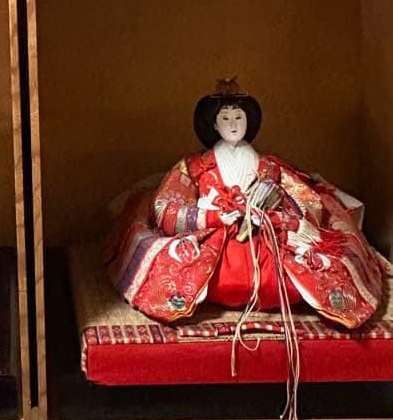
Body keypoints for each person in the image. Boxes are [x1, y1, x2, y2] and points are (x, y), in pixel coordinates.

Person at [107, 79, 384, 330]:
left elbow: (309, 202)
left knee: (322, 265)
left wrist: (275, 217)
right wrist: (214, 216)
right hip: (216, 236)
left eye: (239, 117)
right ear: (214, 125)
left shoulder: (270, 167)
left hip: (265, 235)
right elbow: (165, 208)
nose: (233, 124)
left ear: (249, 122)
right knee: (173, 262)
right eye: (225, 118)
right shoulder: (194, 167)